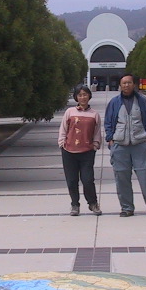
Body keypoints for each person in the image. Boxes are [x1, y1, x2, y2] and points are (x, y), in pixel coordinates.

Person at [104, 74, 146, 217]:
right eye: (124, 83)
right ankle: (127, 208)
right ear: (120, 85)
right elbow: (108, 122)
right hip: (120, 146)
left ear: (134, 84)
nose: (126, 85)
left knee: (145, 177)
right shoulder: (114, 102)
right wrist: (110, 139)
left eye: (129, 82)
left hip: (140, 144)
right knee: (122, 179)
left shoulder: (142, 101)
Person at [58, 85, 102, 216]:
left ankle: (93, 203)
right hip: (69, 151)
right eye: (80, 95)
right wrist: (62, 143)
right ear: (76, 97)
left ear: (89, 96)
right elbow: (63, 128)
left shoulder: (94, 114)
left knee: (88, 180)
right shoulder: (70, 112)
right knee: (72, 180)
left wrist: (95, 145)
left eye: (85, 94)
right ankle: (75, 205)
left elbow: (97, 132)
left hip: (87, 152)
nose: (83, 97)